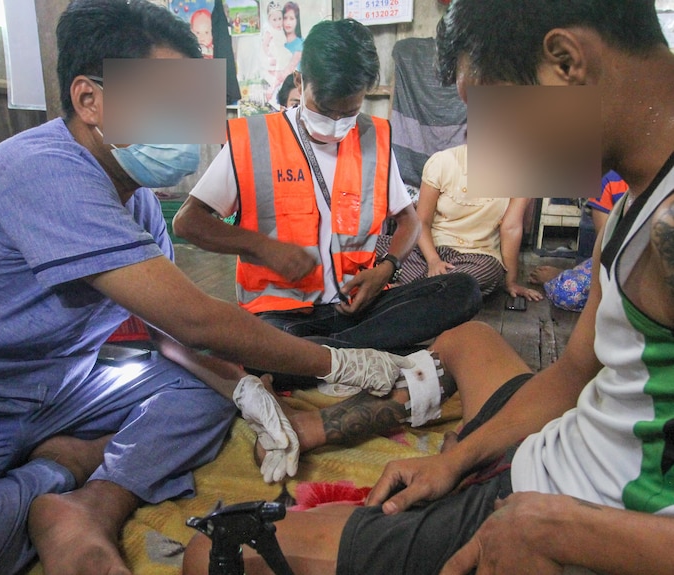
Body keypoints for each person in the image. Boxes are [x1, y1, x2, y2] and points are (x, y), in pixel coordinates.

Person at [0, 1, 425, 574]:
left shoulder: (138, 205)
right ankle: (63, 468)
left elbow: (169, 336)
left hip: (52, 390)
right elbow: (197, 321)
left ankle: (94, 504)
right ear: (90, 100)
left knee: (211, 390)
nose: (193, 128)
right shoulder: (41, 172)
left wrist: (241, 387)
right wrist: (343, 363)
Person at [182, 0, 674, 573]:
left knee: (214, 553)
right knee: (471, 339)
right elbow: (571, 375)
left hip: (577, 517)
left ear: (565, 62)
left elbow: (407, 222)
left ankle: (324, 373)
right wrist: (457, 460)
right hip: (552, 455)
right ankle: (328, 377)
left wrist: (558, 532)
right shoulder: (634, 209)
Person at [174, 19, 482, 390]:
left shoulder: (375, 137)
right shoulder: (254, 138)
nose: (336, 123)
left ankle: (324, 360)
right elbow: (187, 222)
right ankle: (353, 357)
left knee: (462, 290)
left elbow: (410, 222)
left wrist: (387, 268)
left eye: (348, 112)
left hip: (358, 309)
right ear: (301, 83)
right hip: (281, 317)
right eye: (325, 109)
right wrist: (261, 246)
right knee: (257, 342)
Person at [392, 142, 543, 299]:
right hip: (430, 250)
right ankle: (433, 291)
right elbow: (421, 222)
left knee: (481, 274)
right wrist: (433, 261)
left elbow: (511, 228)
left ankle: (405, 289)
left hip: (477, 257)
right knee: (380, 246)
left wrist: (511, 282)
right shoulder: (443, 162)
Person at [530, 170, 629, 311]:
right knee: (568, 292)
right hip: (620, 264)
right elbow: (607, 248)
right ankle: (570, 275)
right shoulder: (611, 181)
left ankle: (568, 275)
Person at [262, 0, 292, 100]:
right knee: (277, 77)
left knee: (285, 75)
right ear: (269, 20)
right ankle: (271, 91)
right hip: (275, 56)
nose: (278, 22)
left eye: (280, 19)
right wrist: (270, 56)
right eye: (275, 20)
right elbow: (265, 45)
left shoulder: (281, 30)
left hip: (283, 55)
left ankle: (280, 94)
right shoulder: (269, 31)